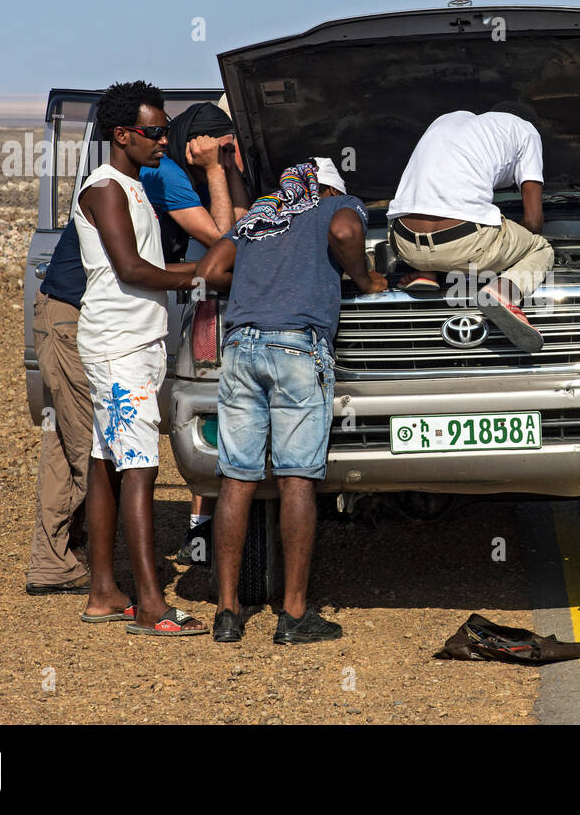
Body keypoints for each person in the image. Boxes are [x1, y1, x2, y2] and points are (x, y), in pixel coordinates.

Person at [194, 157, 387, 643]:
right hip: (297, 348)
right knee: (296, 476)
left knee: (236, 476)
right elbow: (345, 232)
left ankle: (227, 613)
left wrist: (262, 285)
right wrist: (365, 280)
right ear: (326, 188)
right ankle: (295, 614)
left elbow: (210, 268)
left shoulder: (260, 215)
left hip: (239, 349)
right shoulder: (336, 205)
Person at [76, 80, 206, 636]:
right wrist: (200, 275)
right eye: (154, 133)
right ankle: (152, 604)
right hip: (118, 345)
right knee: (140, 466)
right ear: (121, 134)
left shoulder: (133, 187)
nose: (163, 142)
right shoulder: (105, 188)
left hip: (134, 341)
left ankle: (104, 591)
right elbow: (130, 270)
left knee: (107, 460)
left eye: (166, 132)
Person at [138, 99, 250, 566]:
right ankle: (194, 532)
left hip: (166, 302)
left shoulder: (197, 172)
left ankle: (201, 528)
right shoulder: (168, 173)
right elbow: (229, 238)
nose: (232, 157)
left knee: (210, 399)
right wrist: (218, 172)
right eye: (225, 148)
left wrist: (228, 168)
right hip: (135, 310)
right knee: (176, 415)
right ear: (195, 146)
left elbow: (246, 228)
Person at [386, 103, 553, 352]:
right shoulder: (526, 130)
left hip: (404, 243)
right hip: (463, 244)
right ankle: (503, 294)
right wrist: (502, 251)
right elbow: (533, 221)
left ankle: (428, 271)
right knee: (540, 248)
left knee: (441, 233)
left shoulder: (445, 120)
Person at [25, 226, 92, 595]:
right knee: (90, 451)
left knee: (64, 445)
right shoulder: (152, 182)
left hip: (62, 320)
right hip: (71, 324)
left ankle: (54, 561)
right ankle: (105, 579)